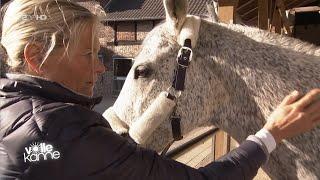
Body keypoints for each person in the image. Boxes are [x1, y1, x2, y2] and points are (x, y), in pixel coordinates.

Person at [0, 1, 319, 180]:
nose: (100, 67)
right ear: (36, 57)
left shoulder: (15, 113)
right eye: (88, 54)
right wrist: (271, 133)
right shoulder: (62, 133)